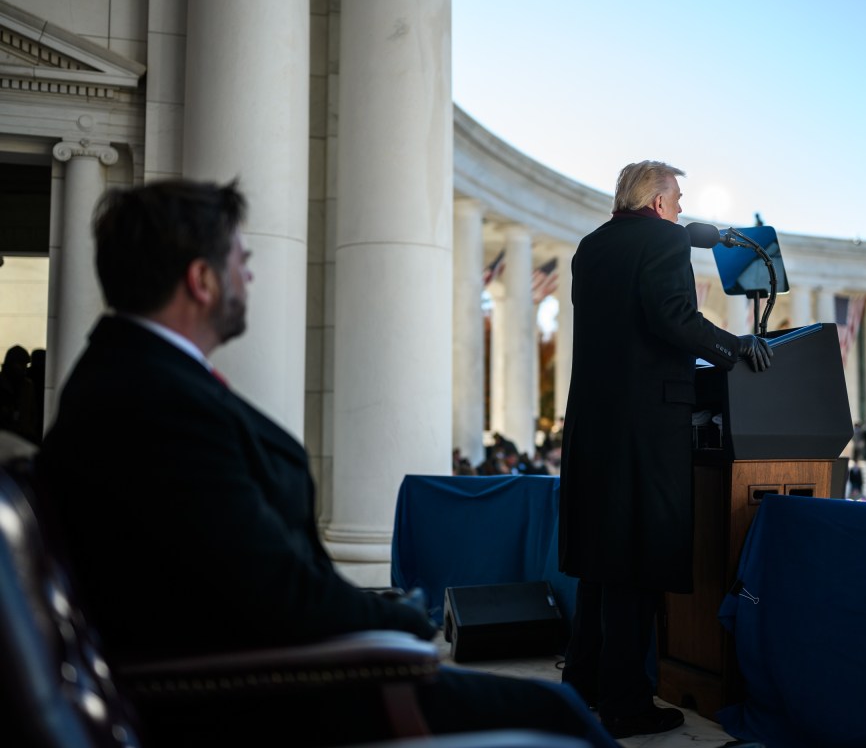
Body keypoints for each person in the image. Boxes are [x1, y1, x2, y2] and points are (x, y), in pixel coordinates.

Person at [37, 179, 614, 746]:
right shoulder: (153, 403)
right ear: (202, 279)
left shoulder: (137, 380)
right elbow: (272, 591)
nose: (251, 275)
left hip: (268, 674)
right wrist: (402, 621)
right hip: (269, 697)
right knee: (557, 713)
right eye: (243, 259)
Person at [557, 160, 772, 738]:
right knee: (634, 560)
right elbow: (673, 317)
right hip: (644, 427)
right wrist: (736, 346)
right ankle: (626, 704)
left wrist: (691, 236)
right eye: (677, 198)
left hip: (593, 426)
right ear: (655, 203)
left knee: (601, 565)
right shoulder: (663, 238)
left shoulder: (591, 246)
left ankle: (582, 687)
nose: (681, 206)